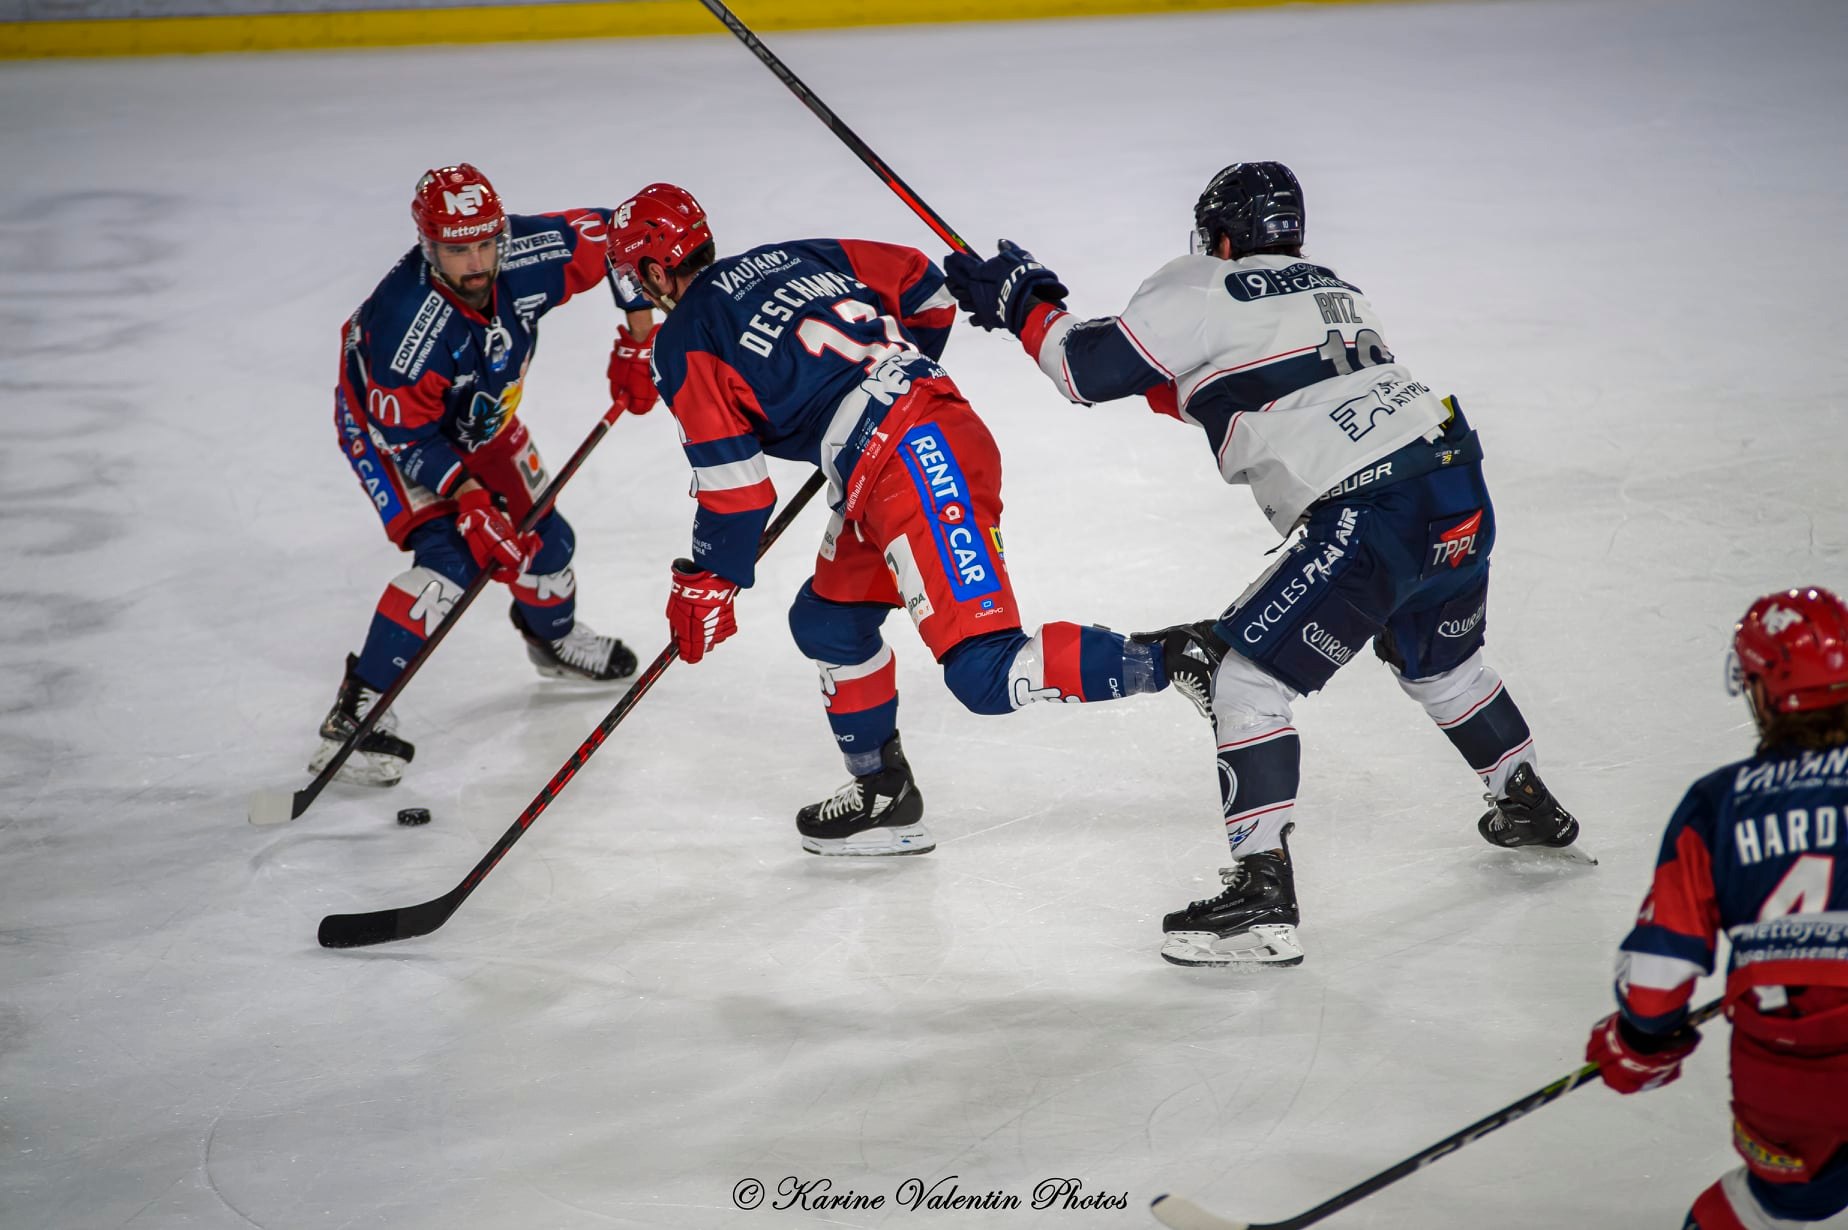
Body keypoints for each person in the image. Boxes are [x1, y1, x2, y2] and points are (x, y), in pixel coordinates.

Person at [941, 161, 1581, 968]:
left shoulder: (1203, 283)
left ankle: (1260, 900)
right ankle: (1525, 799)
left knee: (1244, 681)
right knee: (1444, 663)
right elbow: (1216, 386)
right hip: (1455, 482)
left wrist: (1025, 306)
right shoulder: (1334, 289)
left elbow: (1087, 372)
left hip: (1373, 507)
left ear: (1220, 234)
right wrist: (1048, 316)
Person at [603, 183, 1172, 856]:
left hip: (914, 459)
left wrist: (707, 578)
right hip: (893, 452)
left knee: (983, 674)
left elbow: (737, 494)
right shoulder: (794, 255)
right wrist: (888, 379)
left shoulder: (685, 338)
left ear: (653, 270)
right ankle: (884, 794)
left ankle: (1183, 658)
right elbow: (921, 283)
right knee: (829, 621)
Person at [313, 164, 657, 786]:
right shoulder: (404, 329)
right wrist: (468, 497)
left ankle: (549, 640)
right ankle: (359, 704)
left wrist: (641, 337)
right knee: (453, 560)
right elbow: (406, 434)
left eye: (483, 243)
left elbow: (623, 238)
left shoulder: (523, 252)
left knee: (545, 543)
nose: (475, 263)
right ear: (428, 247)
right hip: (392, 432)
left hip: (483, 416)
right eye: (455, 249)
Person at [1584, 587, 1848, 1230]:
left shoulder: (1719, 803)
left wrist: (1641, 1040)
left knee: (1764, 1209)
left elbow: (1655, 981)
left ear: (1762, 689)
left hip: (1792, 1078)